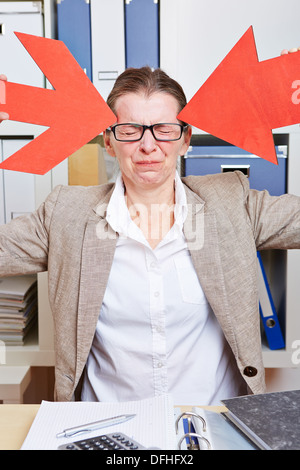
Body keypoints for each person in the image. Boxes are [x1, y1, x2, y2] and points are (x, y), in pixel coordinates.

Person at [0, 63, 300, 406]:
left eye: (164, 129)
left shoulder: (232, 201)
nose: (148, 145)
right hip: (107, 429)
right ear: (109, 142)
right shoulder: (66, 214)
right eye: (129, 130)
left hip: (211, 427)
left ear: (185, 140)